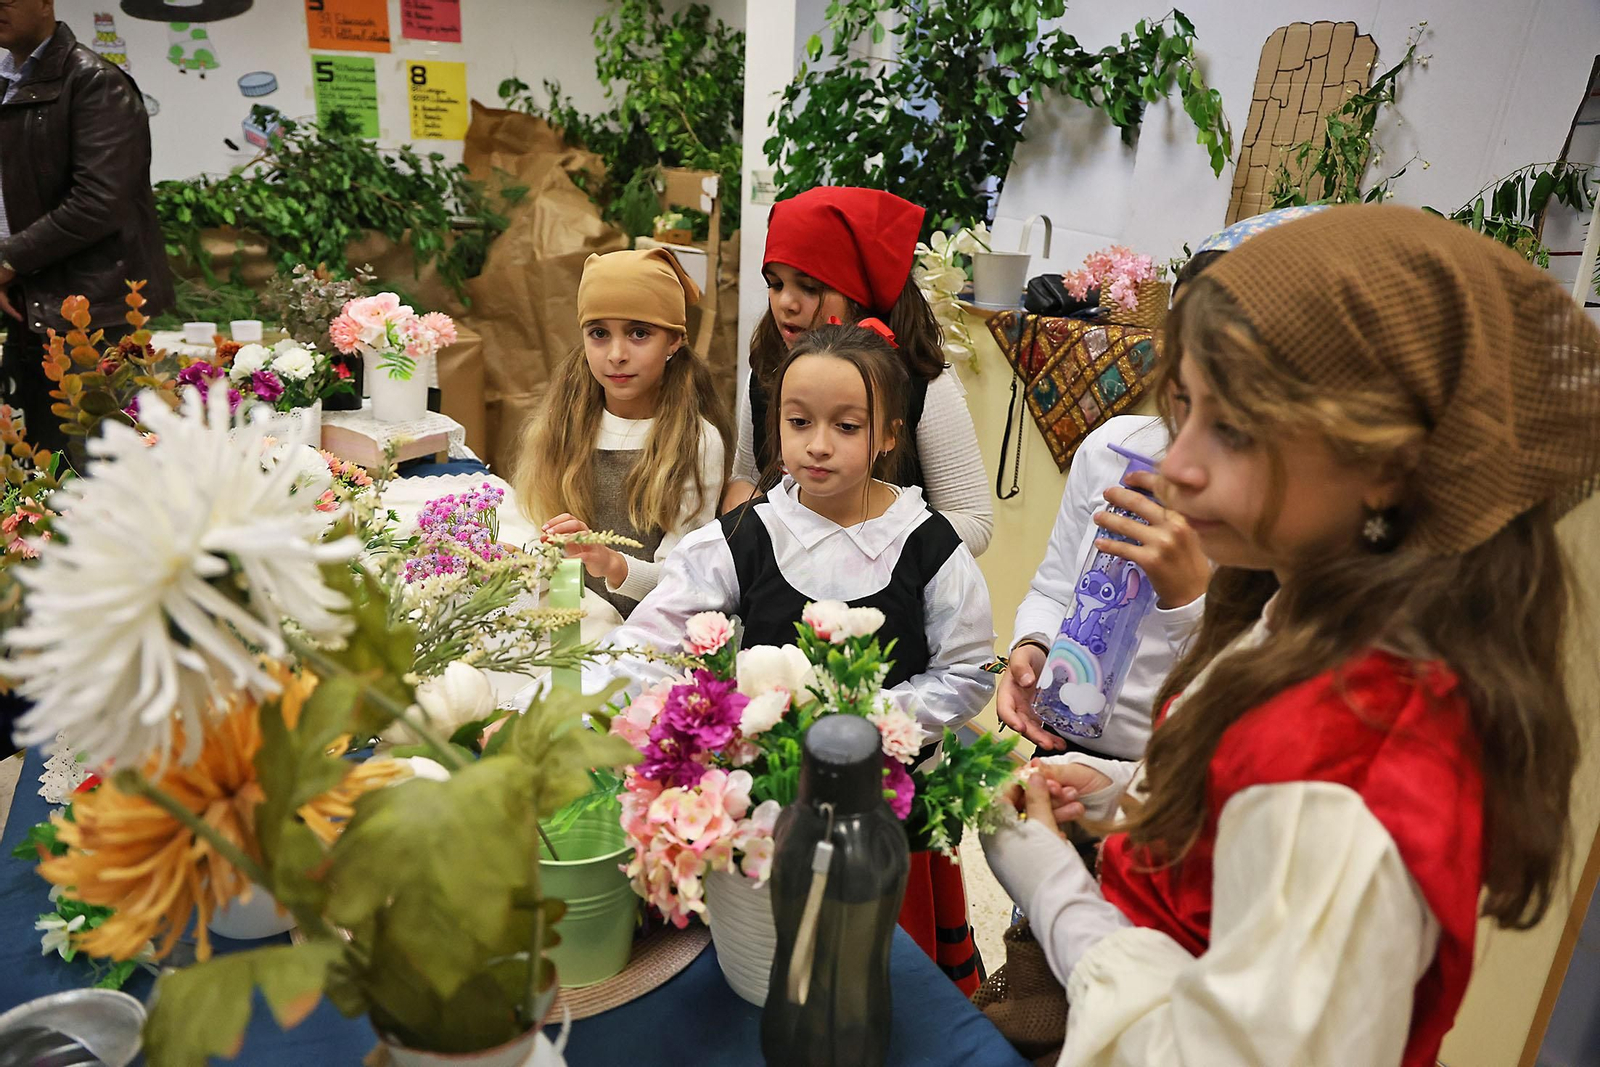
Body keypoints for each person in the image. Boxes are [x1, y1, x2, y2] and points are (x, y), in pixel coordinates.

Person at [979, 205, 1600, 1066]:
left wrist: (1050, 884)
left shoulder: (1345, 777)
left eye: (1233, 428)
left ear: (1383, 461)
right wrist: (1126, 794)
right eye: (1184, 407)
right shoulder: (1303, 618)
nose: (1181, 463)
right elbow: (1245, 839)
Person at [602, 321, 996, 989]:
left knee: (870, 980)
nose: (817, 446)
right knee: (767, 967)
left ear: (889, 435)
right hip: (766, 806)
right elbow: (649, 636)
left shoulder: (928, 546)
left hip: (884, 809)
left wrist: (862, 720)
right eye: (798, 421)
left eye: (846, 426)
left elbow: (965, 672)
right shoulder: (748, 534)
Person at [996, 205, 1327, 762]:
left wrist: (1191, 597)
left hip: (1178, 771)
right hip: (1063, 743)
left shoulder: (1301, 515)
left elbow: (1270, 710)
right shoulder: (1112, 448)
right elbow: (1056, 586)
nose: (1187, 462)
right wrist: (1032, 644)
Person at [722, 186, 993, 555]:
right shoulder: (767, 372)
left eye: (810, 287)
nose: (785, 302)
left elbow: (973, 521)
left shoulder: (923, 386)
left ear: (859, 293)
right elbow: (749, 478)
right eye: (776, 284)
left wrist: (860, 541)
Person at [514, 248, 729, 618]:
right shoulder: (564, 425)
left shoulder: (696, 441)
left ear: (675, 340)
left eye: (639, 333)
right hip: (573, 624)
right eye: (599, 333)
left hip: (650, 636)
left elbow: (686, 579)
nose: (616, 354)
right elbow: (549, 543)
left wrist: (611, 563)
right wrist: (524, 562)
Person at [0, 0, 173, 460]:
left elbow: (99, 203)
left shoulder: (94, 80)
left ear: (44, 2)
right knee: (42, 476)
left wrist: (9, 260)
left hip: (93, 315)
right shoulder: (7, 84)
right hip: (31, 302)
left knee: (95, 478)